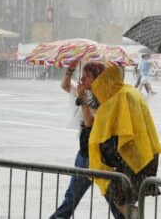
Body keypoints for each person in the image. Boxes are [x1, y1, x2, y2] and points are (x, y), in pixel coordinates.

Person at [89, 62, 161, 218]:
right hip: (144, 155)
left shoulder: (121, 97)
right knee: (123, 199)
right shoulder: (130, 91)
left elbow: (119, 131)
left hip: (133, 158)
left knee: (121, 199)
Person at [50, 61, 123, 219]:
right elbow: (65, 85)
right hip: (85, 154)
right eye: (82, 75)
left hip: (100, 157)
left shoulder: (104, 98)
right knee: (71, 199)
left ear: (97, 78)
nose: (83, 78)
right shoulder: (84, 92)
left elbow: (90, 123)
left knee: (114, 200)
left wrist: (83, 100)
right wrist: (71, 69)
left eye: (87, 75)